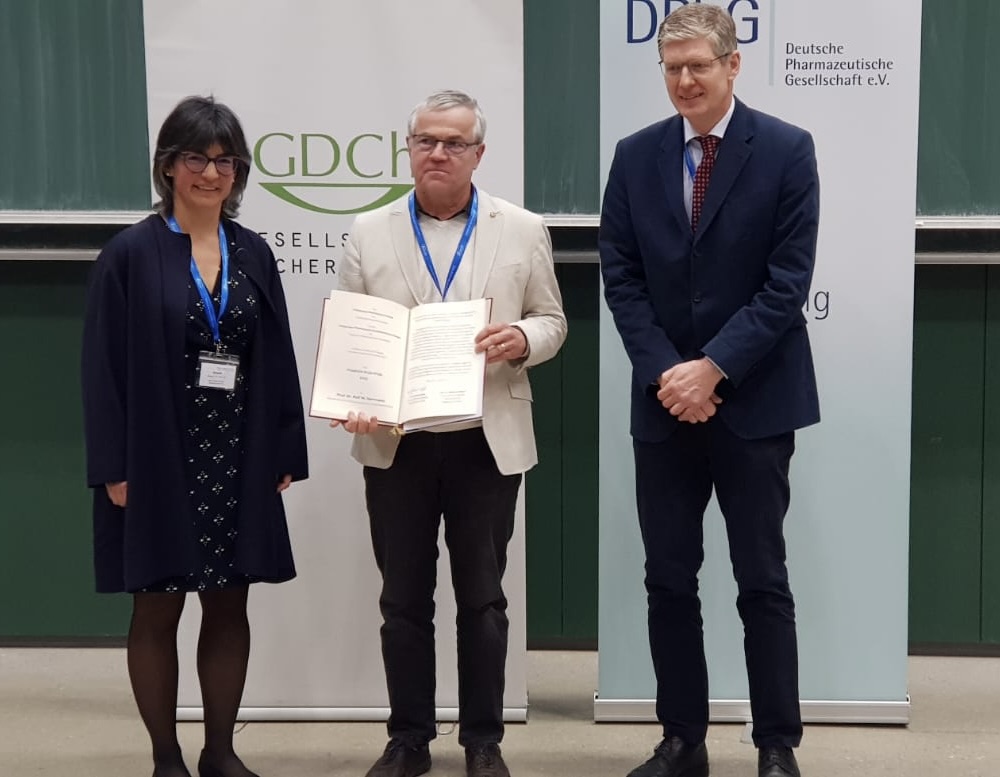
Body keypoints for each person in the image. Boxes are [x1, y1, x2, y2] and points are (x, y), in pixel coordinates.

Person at [599, 6, 820, 777]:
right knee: (668, 579)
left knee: (762, 578)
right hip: (665, 405)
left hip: (755, 400)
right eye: (673, 68)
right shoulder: (635, 155)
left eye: (699, 65)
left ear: (733, 64)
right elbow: (620, 274)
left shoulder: (786, 149)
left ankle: (776, 745)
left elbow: (787, 282)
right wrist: (670, 372)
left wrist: (713, 366)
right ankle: (681, 739)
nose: (685, 80)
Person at [333, 89, 567, 777]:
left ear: (478, 153)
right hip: (396, 442)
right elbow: (352, 337)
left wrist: (521, 338)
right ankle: (408, 739)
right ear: (409, 149)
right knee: (402, 601)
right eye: (426, 141)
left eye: (454, 143)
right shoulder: (367, 231)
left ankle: (483, 740)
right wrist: (354, 399)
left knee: (483, 600)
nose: (438, 152)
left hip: (484, 442)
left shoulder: (521, 228)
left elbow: (552, 320)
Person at [81, 95, 308, 777]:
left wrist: (284, 448)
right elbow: (102, 369)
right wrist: (113, 466)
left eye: (225, 161)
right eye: (196, 159)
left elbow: (277, 354)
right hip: (155, 457)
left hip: (237, 453)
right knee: (157, 607)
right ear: (168, 166)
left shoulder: (253, 252)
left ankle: (220, 751)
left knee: (230, 604)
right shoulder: (129, 254)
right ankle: (166, 758)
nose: (211, 173)